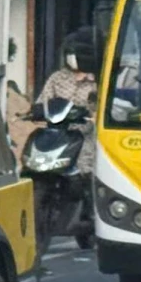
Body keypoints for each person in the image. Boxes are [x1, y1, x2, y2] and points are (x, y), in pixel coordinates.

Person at [36, 28, 101, 174]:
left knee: (84, 174)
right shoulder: (58, 78)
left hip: (86, 141)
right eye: (69, 53)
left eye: (75, 53)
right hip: (57, 137)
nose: (71, 57)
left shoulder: (99, 82)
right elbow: (43, 103)